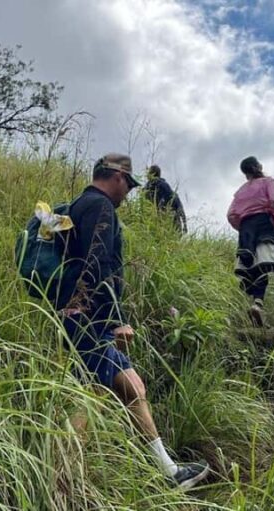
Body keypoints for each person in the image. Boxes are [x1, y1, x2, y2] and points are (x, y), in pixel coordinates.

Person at [59, 153, 209, 489]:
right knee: (91, 394)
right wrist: (115, 320)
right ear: (114, 176)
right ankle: (61, 482)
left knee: (133, 385)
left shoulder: (77, 206)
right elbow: (97, 265)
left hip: (85, 317)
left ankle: (169, 472)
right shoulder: (99, 206)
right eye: (127, 183)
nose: (128, 191)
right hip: (89, 319)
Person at [227, 156, 274, 327]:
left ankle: (257, 304)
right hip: (265, 224)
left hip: (247, 231)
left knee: (257, 268)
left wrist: (243, 229)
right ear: (258, 167)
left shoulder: (240, 191)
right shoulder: (268, 182)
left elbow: (231, 215)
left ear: (245, 173)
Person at [143, 164, 187, 233]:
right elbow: (178, 204)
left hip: (160, 221)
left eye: (149, 173)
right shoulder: (163, 185)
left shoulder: (148, 188)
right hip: (168, 221)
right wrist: (184, 224)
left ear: (152, 174)